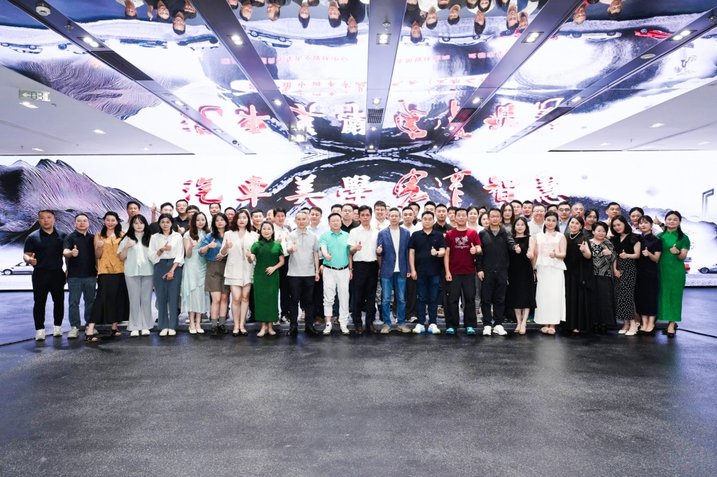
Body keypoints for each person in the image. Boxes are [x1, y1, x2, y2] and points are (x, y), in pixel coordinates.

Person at [85, 211, 128, 342]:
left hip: (120, 270)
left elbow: (124, 255)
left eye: (113, 220)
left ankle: (114, 327)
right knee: (101, 299)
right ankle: (90, 328)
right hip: (104, 271)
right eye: (108, 220)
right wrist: (99, 247)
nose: (110, 222)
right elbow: (97, 255)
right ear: (104, 221)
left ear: (117, 221)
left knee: (117, 298)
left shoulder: (123, 235)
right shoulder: (99, 235)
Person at [23, 210, 66, 341]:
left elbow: (67, 254)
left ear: (54, 219)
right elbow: (26, 255)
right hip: (40, 274)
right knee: (39, 303)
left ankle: (57, 327)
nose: (46, 220)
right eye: (42, 218)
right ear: (39, 220)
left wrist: (68, 269)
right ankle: (40, 330)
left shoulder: (62, 235)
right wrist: (29, 260)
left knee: (59, 302)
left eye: (48, 217)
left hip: (57, 274)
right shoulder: (32, 237)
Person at [477, 208, 515, 336]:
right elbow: (479, 254)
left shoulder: (505, 233)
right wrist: (479, 269)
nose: (494, 218)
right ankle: (487, 325)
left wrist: (515, 247)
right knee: (486, 299)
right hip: (486, 271)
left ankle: (498, 324)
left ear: (500, 218)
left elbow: (511, 245)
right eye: (492, 216)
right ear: (488, 218)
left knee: (500, 299)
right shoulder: (482, 233)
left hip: (502, 271)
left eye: (497, 216)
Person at [444, 208, 481, 335]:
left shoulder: (473, 233)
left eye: (463, 215)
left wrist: (476, 250)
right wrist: (447, 271)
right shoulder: (450, 234)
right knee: (452, 299)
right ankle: (452, 325)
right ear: (454, 217)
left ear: (467, 217)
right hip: (454, 272)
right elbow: (446, 254)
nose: (461, 217)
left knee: (470, 299)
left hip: (469, 272)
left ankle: (469, 325)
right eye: (458, 215)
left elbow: (479, 248)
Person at [221, 209, 258, 336]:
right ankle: (236, 325)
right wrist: (226, 246)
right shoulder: (228, 234)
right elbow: (222, 253)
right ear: (235, 220)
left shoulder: (254, 235)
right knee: (236, 298)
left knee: (245, 298)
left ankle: (242, 325)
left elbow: (254, 256)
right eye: (239, 217)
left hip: (248, 269)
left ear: (248, 220)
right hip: (233, 270)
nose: (242, 220)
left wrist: (250, 257)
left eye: (244, 217)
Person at [409, 211, 446, 334]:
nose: (427, 221)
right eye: (425, 219)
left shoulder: (439, 235)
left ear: (433, 221)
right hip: (420, 272)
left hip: (435, 273)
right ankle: (420, 323)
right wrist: (412, 269)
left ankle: (433, 323)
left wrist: (437, 253)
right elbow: (411, 253)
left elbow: (443, 251)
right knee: (421, 298)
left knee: (433, 298)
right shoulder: (415, 235)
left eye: (430, 219)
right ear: (421, 220)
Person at [285, 210, 321, 335]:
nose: (301, 221)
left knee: (309, 301)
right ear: (295, 221)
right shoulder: (291, 235)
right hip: (294, 274)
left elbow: (315, 253)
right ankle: (293, 326)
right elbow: (288, 249)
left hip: (309, 273)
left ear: (308, 220)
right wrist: (291, 248)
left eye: (304, 219)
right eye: (298, 219)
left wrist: (317, 271)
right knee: (294, 300)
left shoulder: (313, 236)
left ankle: (309, 325)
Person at [118, 214, 154, 336]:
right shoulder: (126, 238)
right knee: (134, 299)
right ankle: (134, 326)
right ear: (132, 225)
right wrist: (126, 247)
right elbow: (121, 257)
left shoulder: (151, 238)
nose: (139, 225)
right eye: (136, 223)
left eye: (141, 223)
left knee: (146, 299)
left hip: (148, 271)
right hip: (131, 272)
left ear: (145, 224)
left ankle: (146, 326)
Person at [377, 208, 412, 334]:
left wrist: (408, 268)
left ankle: (401, 323)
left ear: (400, 217)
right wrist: (379, 251)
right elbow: (379, 250)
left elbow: (408, 252)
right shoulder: (382, 233)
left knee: (401, 298)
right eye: (391, 216)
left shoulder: (406, 233)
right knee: (386, 299)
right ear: (388, 217)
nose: (394, 218)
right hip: (387, 270)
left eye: (396, 216)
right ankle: (387, 323)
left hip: (401, 269)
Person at [149, 214, 184, 336]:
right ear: (159, 223)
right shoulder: (154, 237)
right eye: (162, 222)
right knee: (161, 296)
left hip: (175, 266)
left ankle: (173, 325)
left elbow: (180, 255)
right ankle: (163, 325)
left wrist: (172, 270)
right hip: (160, 265)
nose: (165, 224)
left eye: (167, 222)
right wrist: (161, 250)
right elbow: (151, 256)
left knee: (174, 296)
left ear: (171, 223)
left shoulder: (177, 236)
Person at [63, 213, 96, 339]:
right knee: (73, 302)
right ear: (74, 223)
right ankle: (74, 327)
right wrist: (71, 252)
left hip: (91, 275)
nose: (82, 223)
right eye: (79, 221)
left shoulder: (93, 238)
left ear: (88, 223)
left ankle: (89, 326)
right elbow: (65, 251)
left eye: (84, 221)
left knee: (90, 302)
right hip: (74, 276)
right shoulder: (70, 238)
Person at [533, 211, 567, 335]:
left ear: (557, 222)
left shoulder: (560, 236)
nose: (550, 223)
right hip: (542, 269)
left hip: (556, 269)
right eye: (548, 220)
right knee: (543, 296)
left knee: (555, 296)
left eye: (553, 220)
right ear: (544, 220)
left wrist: (555, 255)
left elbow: (563, 254)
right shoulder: (538, 236)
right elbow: (535, 254)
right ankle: (544, 323)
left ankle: (552, 325)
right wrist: (534, 269)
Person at [249, 222, 285, 336]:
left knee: (272, 300)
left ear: (272, 231)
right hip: (260, 276)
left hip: (273, 276)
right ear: (261, 231)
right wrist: (249, 256)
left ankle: (270, 327)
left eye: (269, 228)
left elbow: (282, 261)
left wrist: (274, 268)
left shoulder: (277, 245)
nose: (266, 231)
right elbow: (251, 259)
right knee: (260, 300)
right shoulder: (256, 245)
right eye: (264, 229)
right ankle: (263, 327)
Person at [658, 211, 690, 338]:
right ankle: (655, 320)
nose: (672, 221)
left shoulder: (684, 238)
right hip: (660, 269)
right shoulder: (659, 236)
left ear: (679, 222)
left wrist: (677, 252)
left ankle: (671, 324)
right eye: (669, 219)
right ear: (665, 221)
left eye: (675, 219)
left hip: (676, 272)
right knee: (660, 295)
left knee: (675, 296)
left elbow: (683, 257)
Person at [319, 213, 352, 335]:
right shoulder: (325, 235)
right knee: (328, 297)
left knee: (344, 297)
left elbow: (349, 253)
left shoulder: (347, 235)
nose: (335, 222)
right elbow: (323, 247)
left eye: (337, 220)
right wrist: (326, 255)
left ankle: (343, 322)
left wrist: (350, 269)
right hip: (329, 270)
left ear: (341, 222)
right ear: (329, 223)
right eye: (333, 220)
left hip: (344, 270)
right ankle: (328, 323)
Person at [348, 205, 379, 334]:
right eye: (363, 215)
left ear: (371, 216)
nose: (365, 217)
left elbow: (378, 251)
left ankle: (369, 323)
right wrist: (355, 248)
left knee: (371, 296)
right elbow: (349, 251)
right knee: (358, 296)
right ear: (359, 217)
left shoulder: (376, 232)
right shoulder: (354, 232)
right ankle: (357, 323)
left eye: (367, 215)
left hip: (373, 265)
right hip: (359, 266)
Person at [199, 213, 230, 334]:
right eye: (217, 220)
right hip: (213, 267)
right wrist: (208, 246)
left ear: (226, 222)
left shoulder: (230, 235)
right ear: (214, 223)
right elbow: (200, 252)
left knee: (224, 298)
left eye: (222, 220)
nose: (220, 222)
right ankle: (213, 325)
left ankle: (222, 324)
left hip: (228, 267)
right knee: (216, 298)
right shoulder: (209, 236)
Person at [611, 216, 641, 335]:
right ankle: (626, 323)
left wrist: (627, 255)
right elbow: (614, 256)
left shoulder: (634, 237)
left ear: (625, 223)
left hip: (630, 268)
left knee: (627, 296)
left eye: (619, 224)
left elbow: (637, 255)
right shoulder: (615, 239)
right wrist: (615, 270)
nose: (617, 227)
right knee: (619, 296)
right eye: (614, 226)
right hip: (618, 268)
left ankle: (633, 323)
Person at [563, 216, 593, 334]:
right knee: (568, 297)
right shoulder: (565, 236)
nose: (574, 225)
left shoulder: (584, 238)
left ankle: (578, 324)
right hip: (567, 272)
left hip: (579, 273)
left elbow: (589, 256)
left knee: (578, 298)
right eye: (572, 222)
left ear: (581, 226)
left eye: (577, 223)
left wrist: (584, 250)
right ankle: (568, 324)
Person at [506, 217, 535, 335]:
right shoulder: (510, 239)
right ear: (514, 226)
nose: (520, 227)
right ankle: (518, 322)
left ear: (526, 226)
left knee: (526, 296)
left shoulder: (530, 238)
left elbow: (532, 253)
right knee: (516, 296)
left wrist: (530, 255)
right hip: (513, 271)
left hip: (526, 270)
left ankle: (524, 323)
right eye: (517, 224)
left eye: (522, 224)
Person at [182, 212, 210, 335]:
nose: (200, 222)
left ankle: (198, 323)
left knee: (200, 294)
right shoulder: (187, 234)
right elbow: (187, 255)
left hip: (203, 266)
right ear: (193, 221)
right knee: (192, 293)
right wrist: (191, 246)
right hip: (191, 266)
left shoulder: (208, 234)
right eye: (198, 220)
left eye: (203, 219)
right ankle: (191, 323)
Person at [635, 216, 662, 335]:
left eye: (646, 223)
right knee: (640, 298)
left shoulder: (657, 240)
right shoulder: (637, 239)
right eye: (641, 223)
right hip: (638, 272)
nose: (643, 225)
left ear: (651, 225)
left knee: (651, 298)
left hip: (651, 273)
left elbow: (656, 259)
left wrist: (649, 254)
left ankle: (651, 323)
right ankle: (644, 323)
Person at [589, 222, 615, 334]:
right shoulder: (588, 243)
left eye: (604, 231)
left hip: (605, 275)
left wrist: (610, 254)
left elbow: (614, 258)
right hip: (591, 275)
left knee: (604, 300)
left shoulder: (608, 243)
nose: (601, 233)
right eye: (598, 230)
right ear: (593, 231)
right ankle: (593, 322)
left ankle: (604, 323)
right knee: (593, 300)